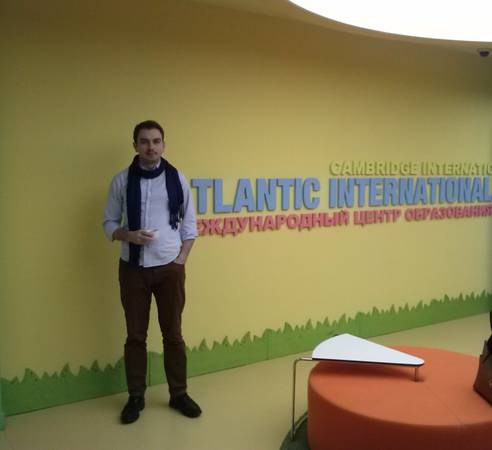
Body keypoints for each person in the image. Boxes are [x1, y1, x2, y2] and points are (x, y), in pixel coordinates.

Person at [103, 120, 201, 424]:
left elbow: (190, 225)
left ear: (163, 145)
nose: (151, 147)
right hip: (133, 269)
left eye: (156, 141)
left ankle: (179, 394)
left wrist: (181, 260)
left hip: (170, 268)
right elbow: (108, 223)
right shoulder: (121, 181)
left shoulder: (177, 179)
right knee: (135, 336)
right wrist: (129, 235)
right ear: (135, 146)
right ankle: (136, 397)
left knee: (173, 334)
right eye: (144, 141)